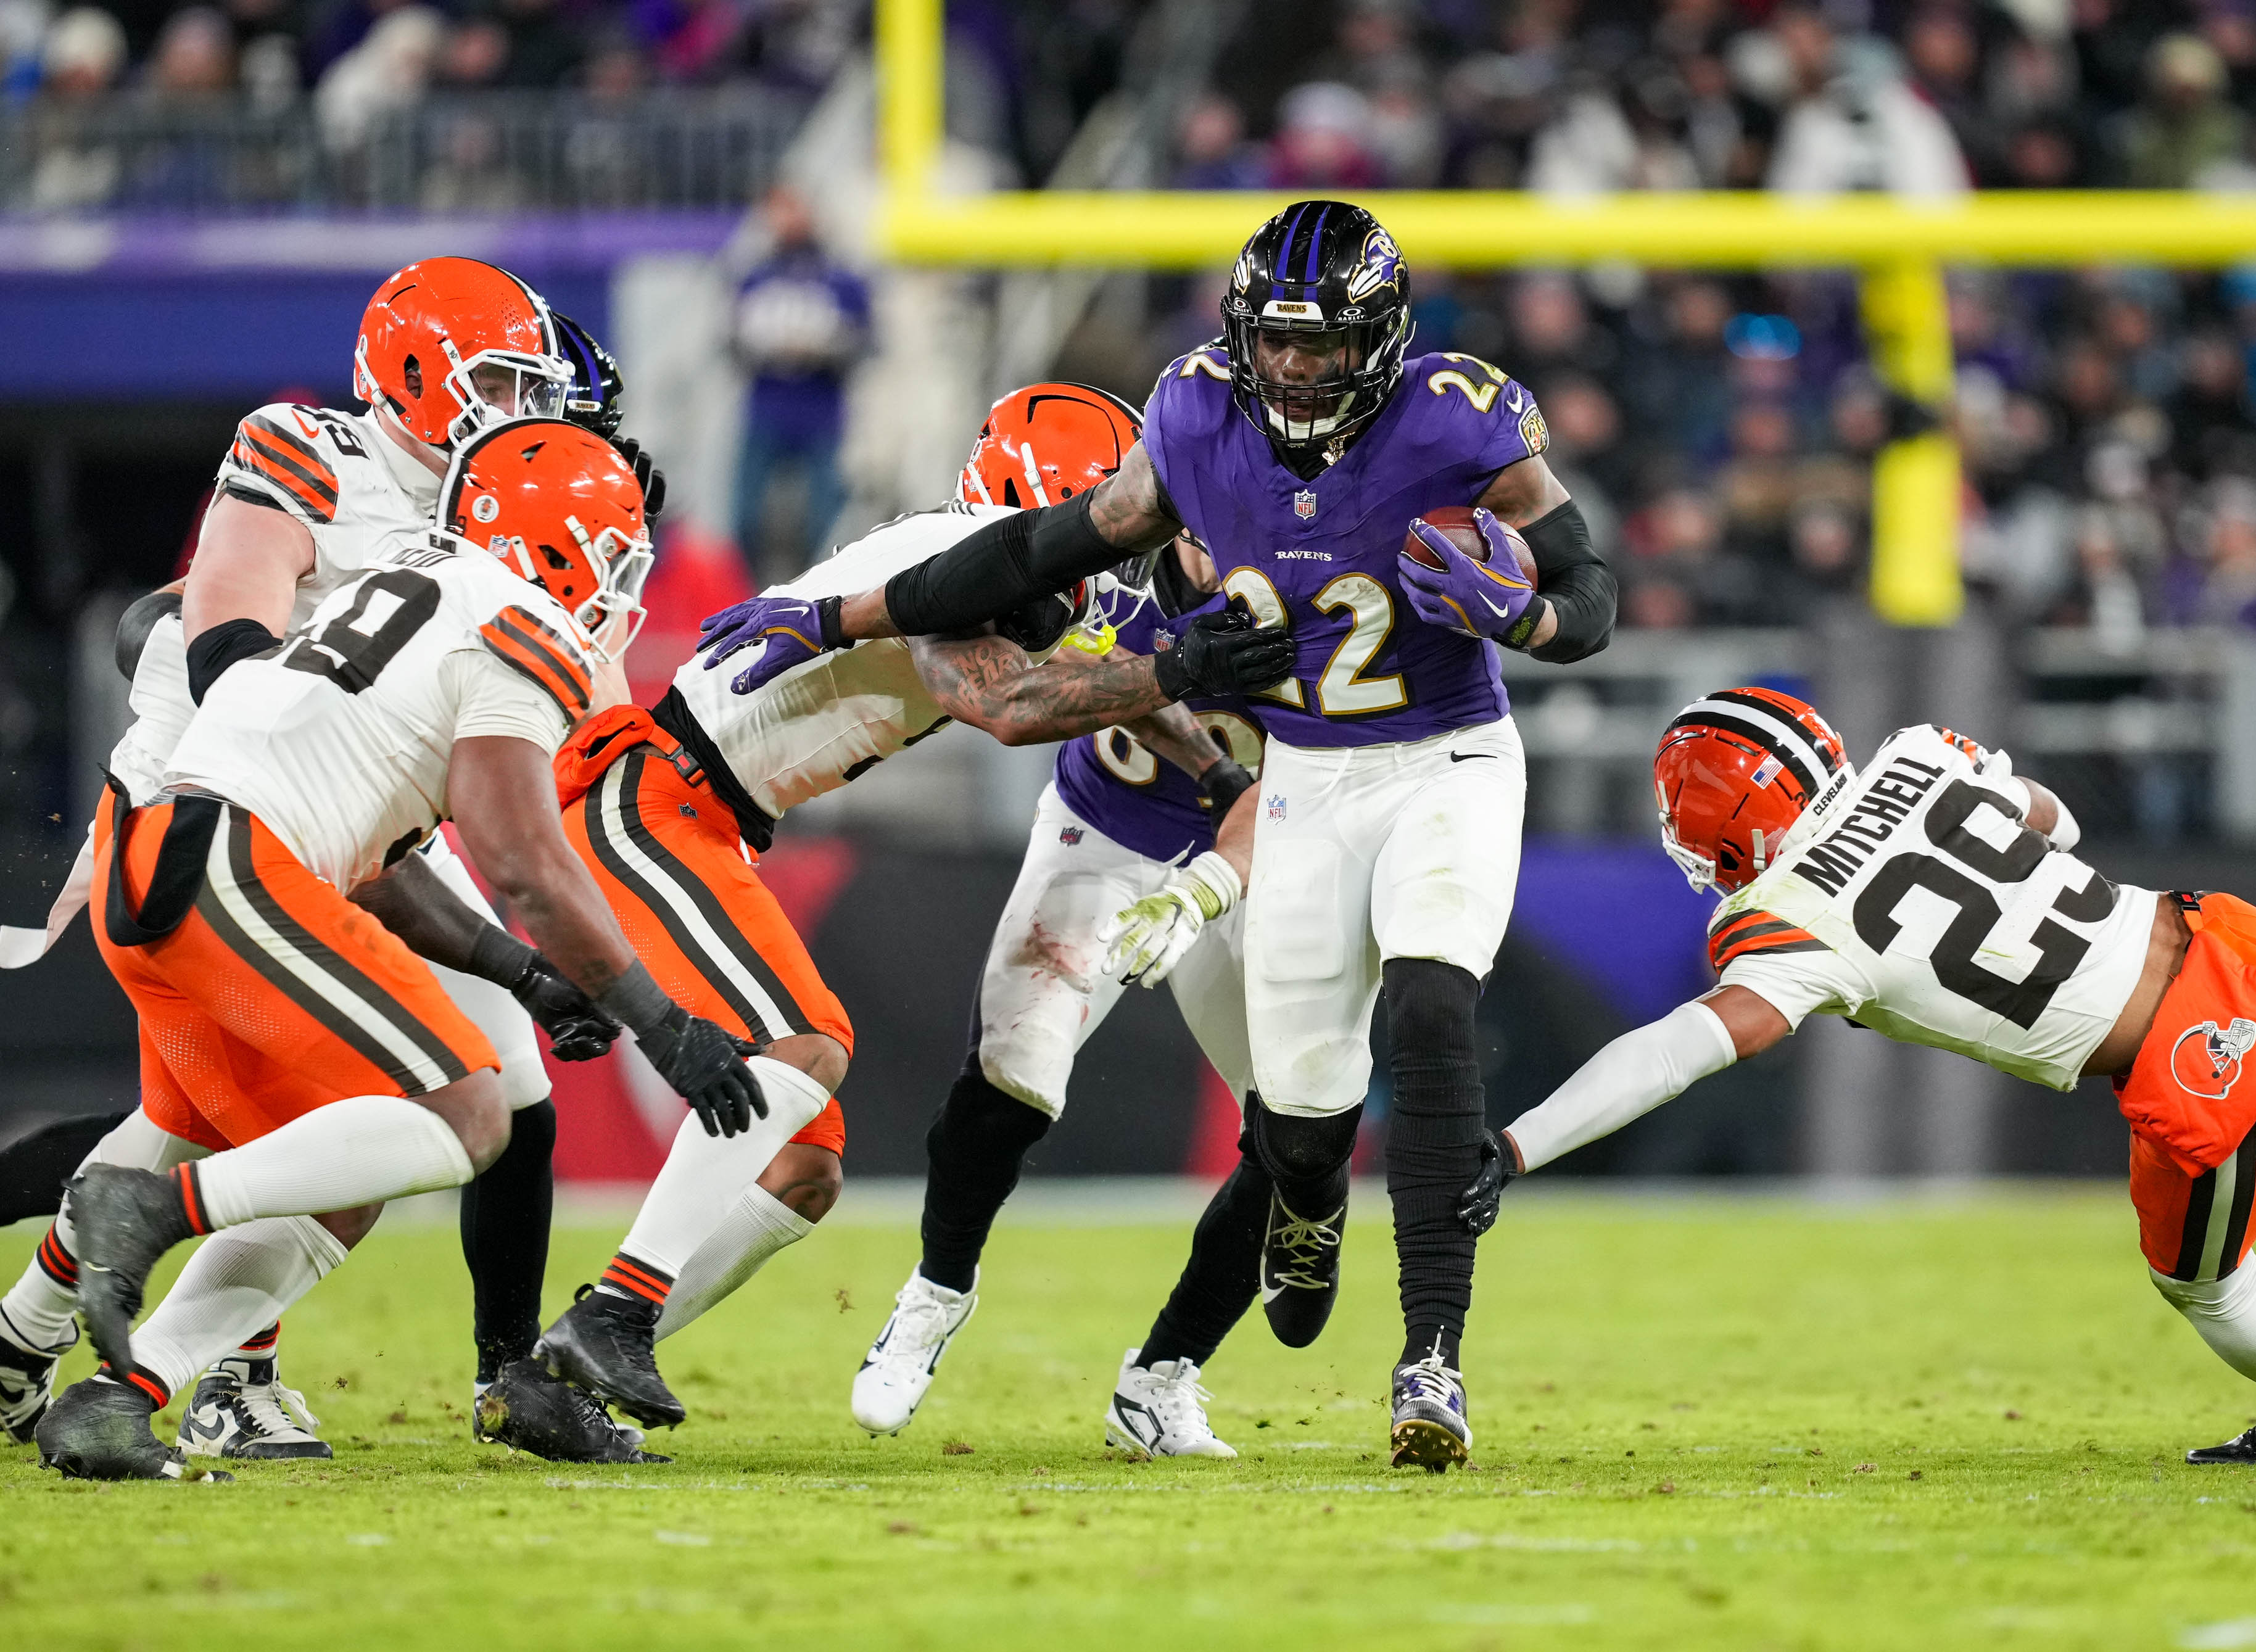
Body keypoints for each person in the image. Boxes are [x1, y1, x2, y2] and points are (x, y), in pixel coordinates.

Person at [698, 202, 1619, 1472]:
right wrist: (846, 613)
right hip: (1201, 794)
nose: (1294, 370)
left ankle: (1321, 1363)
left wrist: (1525, 618)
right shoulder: (1172, 444)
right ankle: (996, 1280)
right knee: (1157, 1092)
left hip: (1356, 779)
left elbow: (1586, 594)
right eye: (1275, 345)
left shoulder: (1438, 424)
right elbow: (1024, 614)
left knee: (1367, 1058)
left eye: (1323, 345)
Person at [0, 263, 649, 1467]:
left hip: (346, 815)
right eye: (500, 381)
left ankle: (26, 1315)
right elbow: (218, 635)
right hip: (217, 792)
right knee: (252, 1112)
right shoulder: (310, 443)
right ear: (411, 377)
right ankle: (195, 1371)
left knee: (457, 1090)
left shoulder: (481, 497)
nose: (520, 406)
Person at [525, 382, 1298, 1431]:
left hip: (706, 815)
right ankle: (613, 1314)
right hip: (659, 795)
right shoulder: (956, 549)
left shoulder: (1004, 565)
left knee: (801, 1165)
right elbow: (1009, 703)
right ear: (1057, 490)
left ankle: (560, 1368)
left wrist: (1213, 776)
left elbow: (1091, 675)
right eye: (1104, 507)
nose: (1116, 540)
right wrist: (1184, 661)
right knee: (807, 1045)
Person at [30, 418, 751, 1482]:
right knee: (469, 1111)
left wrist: (528, 976)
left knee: (351, 1163)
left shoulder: (411, 584)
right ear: (549, 540)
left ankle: (110, 1398)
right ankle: (146, 1208)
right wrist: (662, 1021)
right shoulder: (516, 619)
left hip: (151, 856)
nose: (618, 582)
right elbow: (518, 860)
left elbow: (373, 856)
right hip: (227, 862)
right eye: (609, 552)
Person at [1458, 688, 2256, 1467]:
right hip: (2230, 940)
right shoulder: (1919, 755)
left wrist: (1519, 1143)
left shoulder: (1786, 916)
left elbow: (1676, 1051)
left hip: (2197, 1058)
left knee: (2203, 1283)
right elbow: (2054, 819)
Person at [847, 415, 1264, 1453]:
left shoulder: (1295, 565)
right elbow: (1061, 679)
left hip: (1264, 838)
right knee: (1018, 1068)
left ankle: (1162, 1376)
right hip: (1107, 827)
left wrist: (1219, 848)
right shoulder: (1068, 581)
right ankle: (936, 1291)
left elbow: (1289, 784)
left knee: (1305, 1131)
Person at [729, 185, 870, 577]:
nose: (787, 220)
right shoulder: (754, 278)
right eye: (778, 210)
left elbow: (866, 343)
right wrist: (767, 348)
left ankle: (826, 599)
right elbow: (730, 345)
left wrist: (823, 351)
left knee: (825, 524)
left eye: (793, 208)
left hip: (821, 413)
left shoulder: (841, 279)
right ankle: (750, 596)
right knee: (745, 517)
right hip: (767, 409)